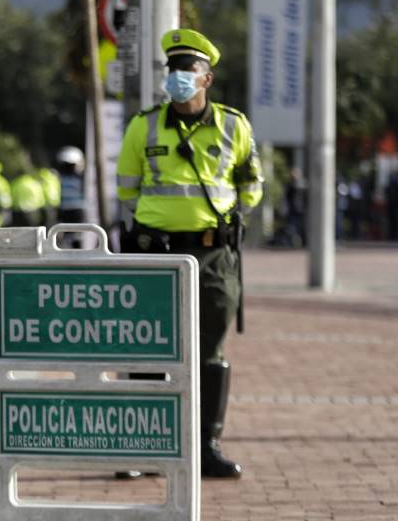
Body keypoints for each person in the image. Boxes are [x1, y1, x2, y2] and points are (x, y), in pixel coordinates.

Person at [116, 29, 263, 480]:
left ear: (207, 78)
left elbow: (251, 185)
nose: (178, 76)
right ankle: (146, 449)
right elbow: (126, 187)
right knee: (149, 349)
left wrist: (234, 214)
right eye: (173, 69)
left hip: (213, 253)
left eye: (189, 69)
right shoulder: (144, 125)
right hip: (155, 252)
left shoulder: (234, 126)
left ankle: (205, 447)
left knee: (209, 350)